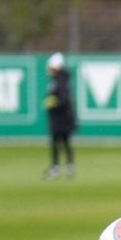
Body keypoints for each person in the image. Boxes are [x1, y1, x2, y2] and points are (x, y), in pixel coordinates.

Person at [43, 51, 77, 179]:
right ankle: (65, 167)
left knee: (61, 142)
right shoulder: (58, 80)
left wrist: (52, 104)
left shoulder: (60, 81)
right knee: (63, 142)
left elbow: (62, 99)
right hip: (60, 117)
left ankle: (59, 167)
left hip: (61, 117)